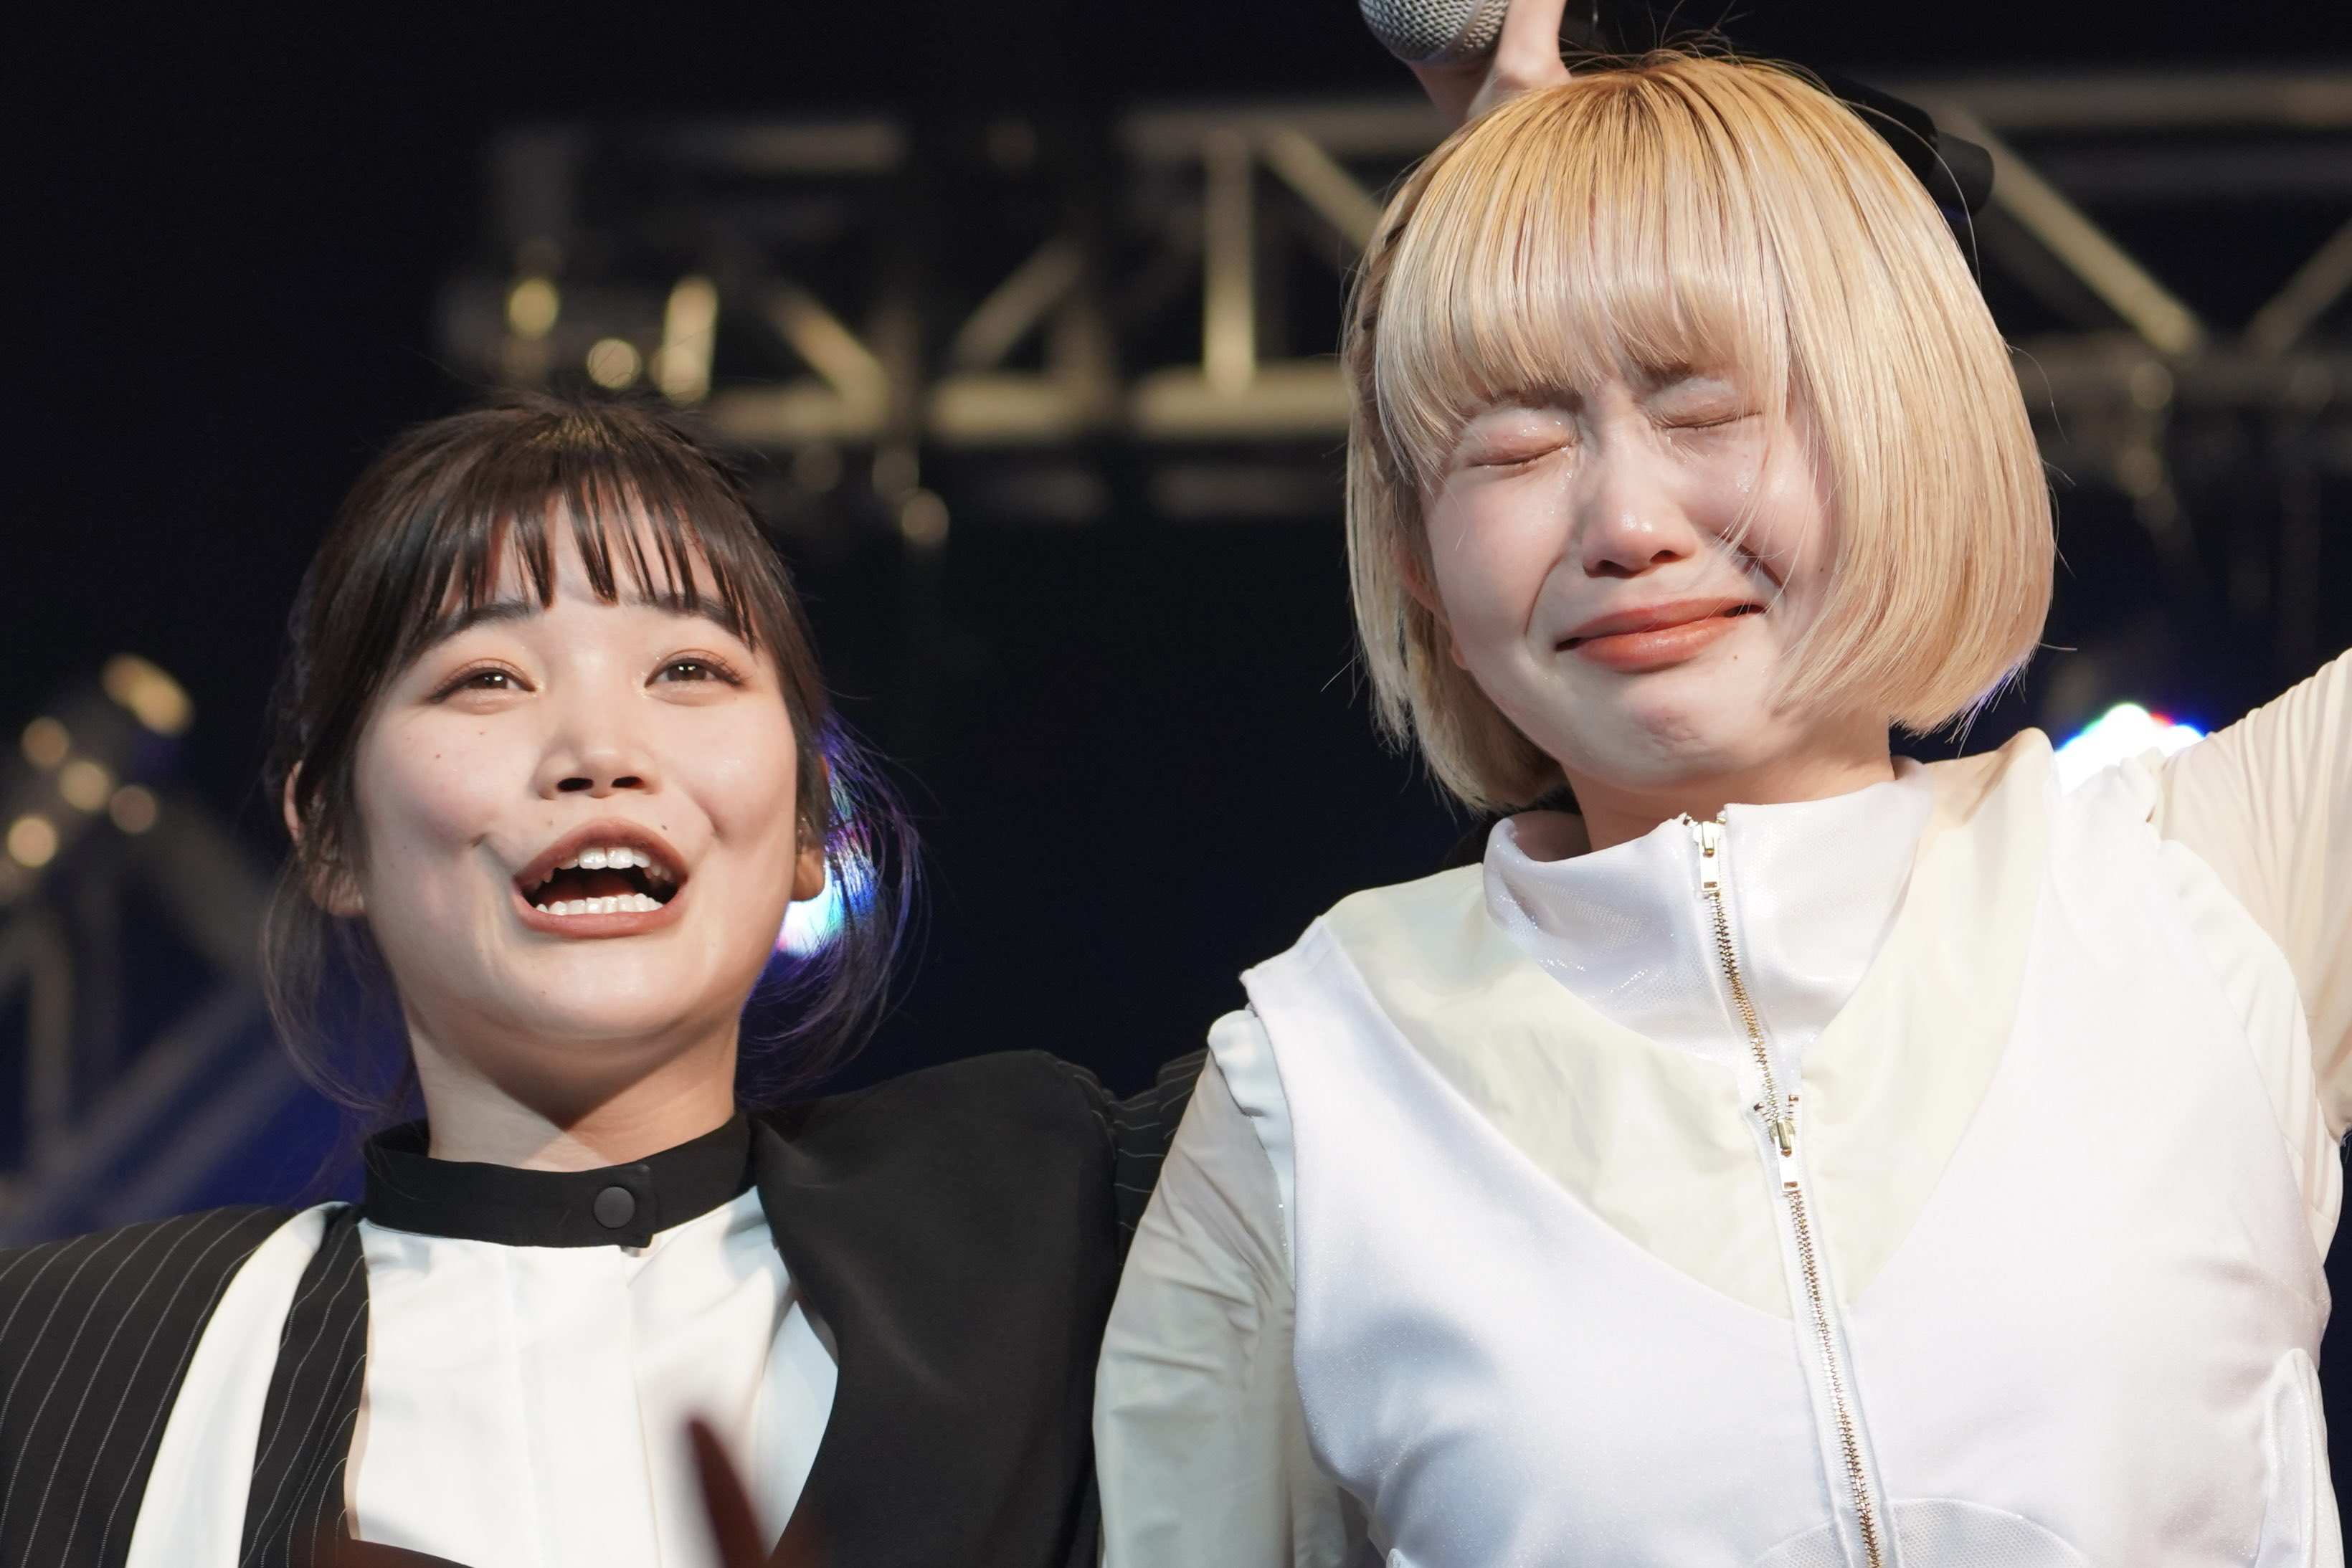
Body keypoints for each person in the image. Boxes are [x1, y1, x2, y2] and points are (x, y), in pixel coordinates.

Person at [1094, 9, 2352, 1565]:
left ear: (1901, 427)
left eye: (1704, 409)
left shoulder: (2197, 890)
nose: (1626, 522)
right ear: (1417, 554)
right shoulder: (1309, 1092)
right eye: (1511, 446)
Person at [0, 392, 1192, 1568]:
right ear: (332, 838)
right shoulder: (83, 1360)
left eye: (688, 667)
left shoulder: (1066, 1217)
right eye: (487, 678)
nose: (600, 754)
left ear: (808, 824)